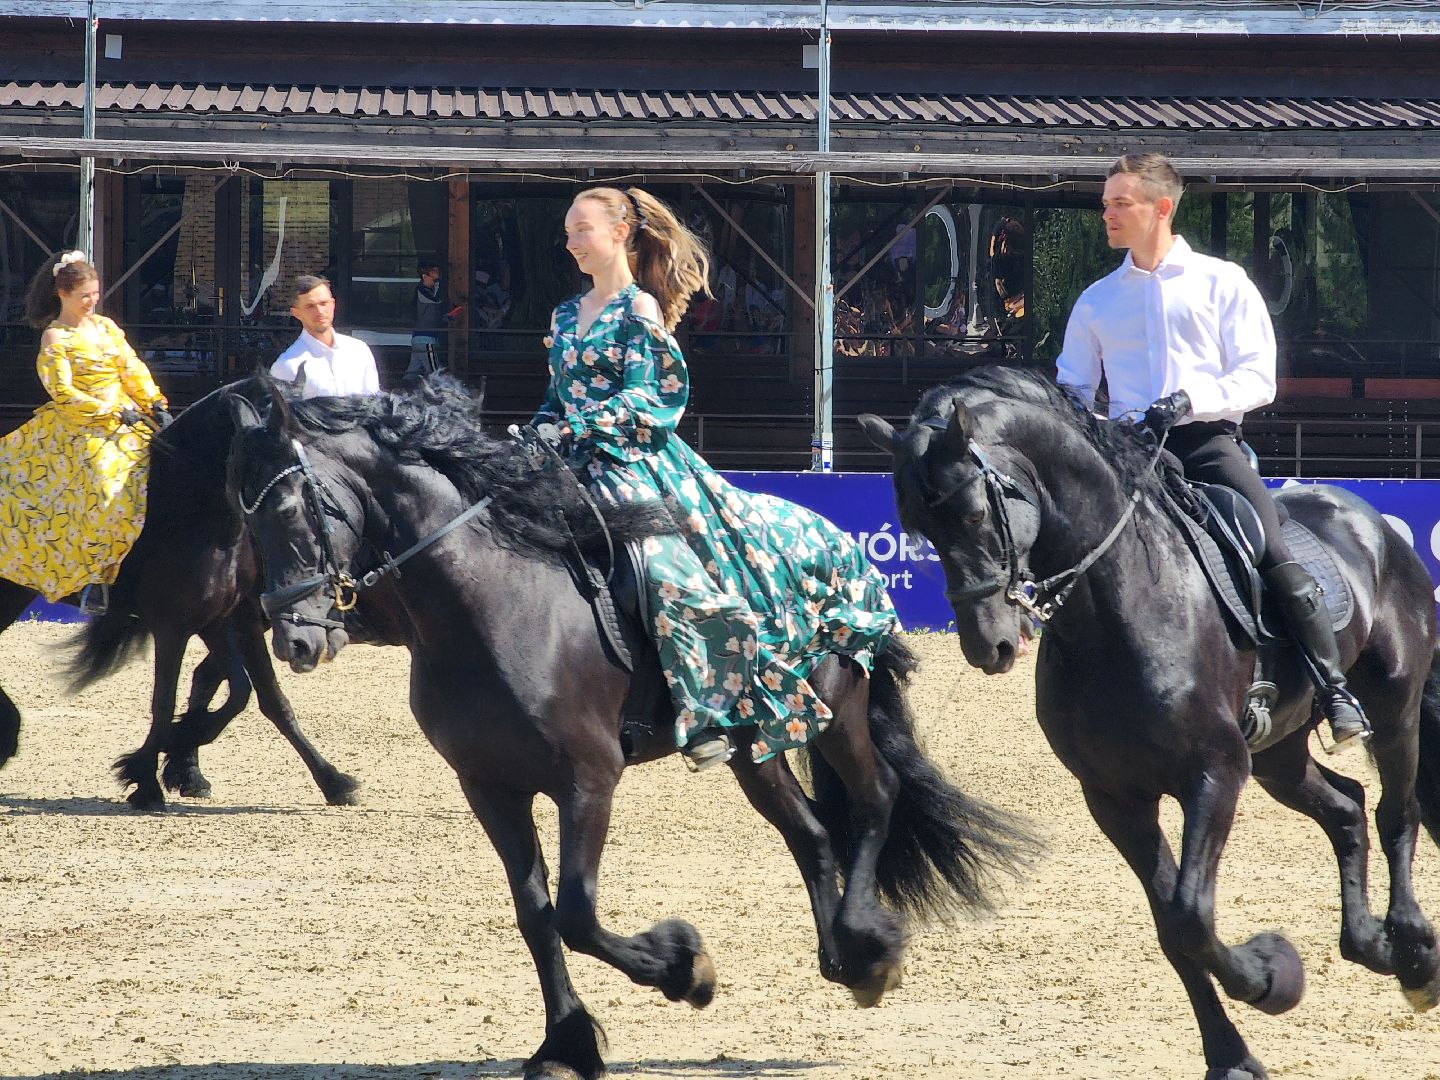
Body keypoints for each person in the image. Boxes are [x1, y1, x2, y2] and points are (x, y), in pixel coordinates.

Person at [529, 186, 897, 771]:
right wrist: (541, 428)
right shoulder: (564, 315)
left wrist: (582, 424)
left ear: (621, 233)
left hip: (633, 463)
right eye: (568, 231)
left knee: (672, 578)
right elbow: (556, 393)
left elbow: (652, 400)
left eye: (582, 230)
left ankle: (706, 715)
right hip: (563, 458)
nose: (571, 242)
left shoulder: (638, 311)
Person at [1056, 152, 1369, 752]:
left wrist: (1189, 401)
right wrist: (1098, 427)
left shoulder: (1223, 283)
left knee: (1269, 545)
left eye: (1120, 203)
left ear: (1161, 208)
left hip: (1206, 445)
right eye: (1105, 204)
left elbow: (1259, 379)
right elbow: (1071, 388)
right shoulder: (1096, 300)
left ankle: (1333, 689)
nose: (1107, 215)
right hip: (1127, 454)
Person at [0, 250, 171, 612]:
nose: (92, 302)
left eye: (95, 294)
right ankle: (94, 578)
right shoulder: (55, 339)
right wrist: (110, 410)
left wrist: (153, 401)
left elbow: (131, 366)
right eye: (84, 297)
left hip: (130, 417)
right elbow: (63, 393)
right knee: (105, 485)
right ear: (62, 295)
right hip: (83, 425)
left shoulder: (105, 327)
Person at [271, 274, 380, 399]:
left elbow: (374, 406)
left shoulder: (359, 351)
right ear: (296, 313)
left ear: (333, 304)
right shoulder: (287, 366)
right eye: (310, 306)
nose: (320, 311)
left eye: (323, 303)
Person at [405, 261, 447, 381]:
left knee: (412, 371)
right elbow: (436, 300)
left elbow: (433, 314)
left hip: (422, 337)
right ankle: (440, 396)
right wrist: (439, 283)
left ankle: (401, 391)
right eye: (433, 275)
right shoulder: (421, 290)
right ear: (424, 276)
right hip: (425, 339)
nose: (436, 278)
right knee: (435, 372)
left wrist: (447, 317)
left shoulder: (427, 292)